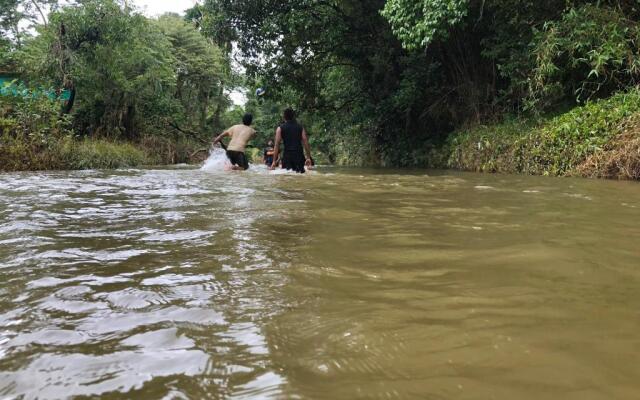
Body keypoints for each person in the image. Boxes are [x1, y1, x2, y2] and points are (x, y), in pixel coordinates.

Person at [270, 108, 312, 173]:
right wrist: (308, 157)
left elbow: (277, 145)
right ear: (293, 116)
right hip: (299, 156)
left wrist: (274, 161)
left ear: (284, 117)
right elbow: (305, 142)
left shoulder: (280, 128)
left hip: (287, 157)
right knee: (300, 176)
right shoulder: (300, 127)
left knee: (287, 176)